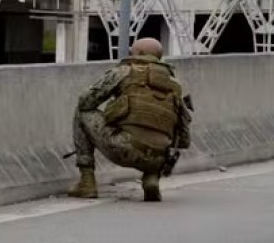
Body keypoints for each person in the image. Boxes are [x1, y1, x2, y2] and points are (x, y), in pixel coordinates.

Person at [67, 37, 192, 202]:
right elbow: (184, 139)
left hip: (124, 148)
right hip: (159, 159)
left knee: (82, 112)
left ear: (139, 53)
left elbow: (86, 101)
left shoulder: (124, 71)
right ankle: (151, 178)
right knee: (159, 132)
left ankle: (87, 181)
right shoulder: (175, 85)